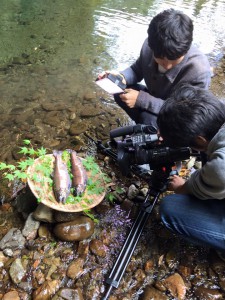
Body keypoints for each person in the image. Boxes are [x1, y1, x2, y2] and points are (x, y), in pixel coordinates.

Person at [98, 9, 212, 131]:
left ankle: (155, 133)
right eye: (161, 60)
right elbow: (137, 69)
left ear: (185, 50)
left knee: (149, 121)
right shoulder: (150, 46)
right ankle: (145, 126)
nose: (167, 66)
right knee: (120, 91)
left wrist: (141, 100)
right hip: (156, 100)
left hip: (176, 117)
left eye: (174, 60)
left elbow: (186, 113)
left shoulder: (199, 71)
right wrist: (121, 77)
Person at [157, 83, 225, 252]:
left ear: (201, 140)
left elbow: (195, 187)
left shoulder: (220, 165)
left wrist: (182, 186)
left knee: (170, 208)